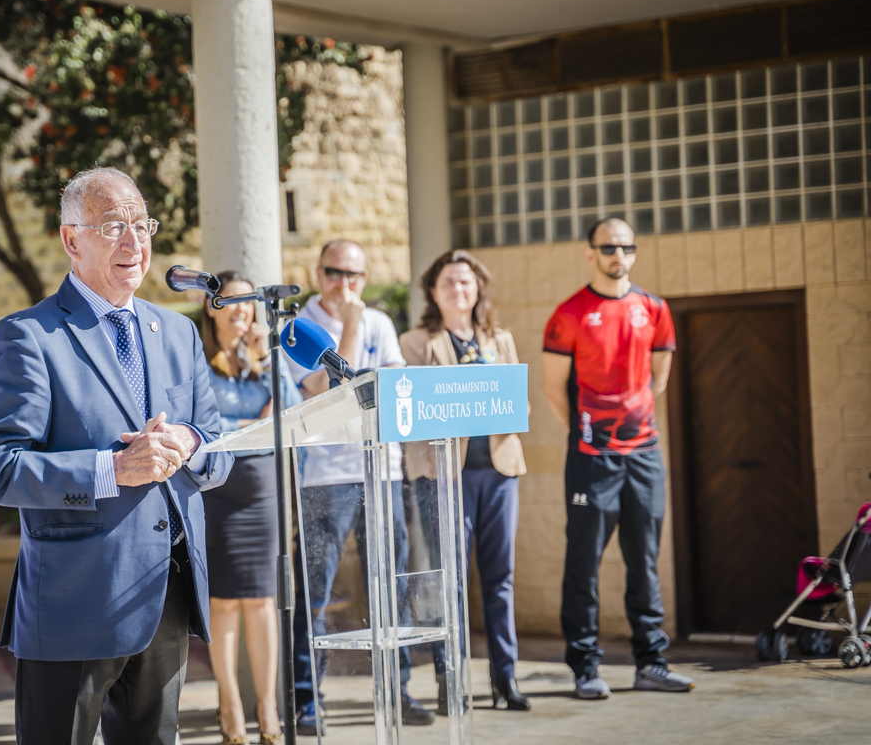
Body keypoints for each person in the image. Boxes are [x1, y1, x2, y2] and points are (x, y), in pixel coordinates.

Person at [0, 167, 234, 745]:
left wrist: (189, 443)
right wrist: (109, 469)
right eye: (113, 225)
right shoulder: (28, 336)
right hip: (75, 599)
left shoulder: (178, 332)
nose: (133, 242)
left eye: (142, 225)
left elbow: (217, 448)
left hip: (164, 592)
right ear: (72, 239)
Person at [542, 217, 694, 699]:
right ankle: (585, 668)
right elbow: (553, 389)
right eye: (608, 247)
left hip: (644, 454)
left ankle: (651, 663)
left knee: (644, 561)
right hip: (592, 457)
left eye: (626, 247)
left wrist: (630, 424)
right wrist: (586, 432)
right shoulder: (569, 313)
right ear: (591, 253)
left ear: (634, 252)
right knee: (583, 562)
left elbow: (658, 377)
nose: (618, 255)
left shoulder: (654, 308)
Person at [288, 240, 436, 733]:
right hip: (325, 476)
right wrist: (350, 328)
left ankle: (397, 688)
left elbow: (393, 389)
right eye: (334, 272)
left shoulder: (380, 323)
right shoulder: (300, 329)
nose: (344, 284)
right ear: (318, 274)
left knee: (390, 582)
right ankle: (308, 698)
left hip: (381, 470)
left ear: (365, 278)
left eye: (353, 275)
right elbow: (323, 393)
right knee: (316, 590)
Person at [400, 250, 530, 713]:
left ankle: (505, 678)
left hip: (498, 473)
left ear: (478, 289)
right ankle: (450, 681)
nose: (459, 289)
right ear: (434, 292)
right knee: (447, 581)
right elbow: (412, 408)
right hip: (442, 478)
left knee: (500, 580)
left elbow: (518, 404)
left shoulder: (500, 339)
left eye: (466, 281)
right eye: (449, 282)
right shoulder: (416, 343)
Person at [201, 270, 303, 745]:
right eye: (231, 301)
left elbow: (291, 411)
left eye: (248, 302)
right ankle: (230, 707)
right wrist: (250, 425)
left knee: (263, 600)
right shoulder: (198, 359)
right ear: (212, 306)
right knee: (222, 602)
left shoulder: (264, 355)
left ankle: (268, 707)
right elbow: (202, 427)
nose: (242, 310)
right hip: (215, 487)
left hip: (262, 488)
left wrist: (268, 359)